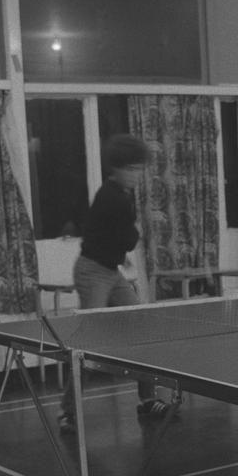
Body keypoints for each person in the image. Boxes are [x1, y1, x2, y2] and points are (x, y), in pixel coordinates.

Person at [57, 134, 173, 434]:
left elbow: (114, 239)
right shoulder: (114, 198)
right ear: (116, 168)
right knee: (86, 344)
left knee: (141, 329)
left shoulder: (118, 194)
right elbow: (130, 238)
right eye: (132, 168)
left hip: (110, 270)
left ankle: (147, 400)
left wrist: (125, 245)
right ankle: (68, 412)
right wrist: (133, 231)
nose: (137, 174)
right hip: (92, 272)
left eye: (140, 168)